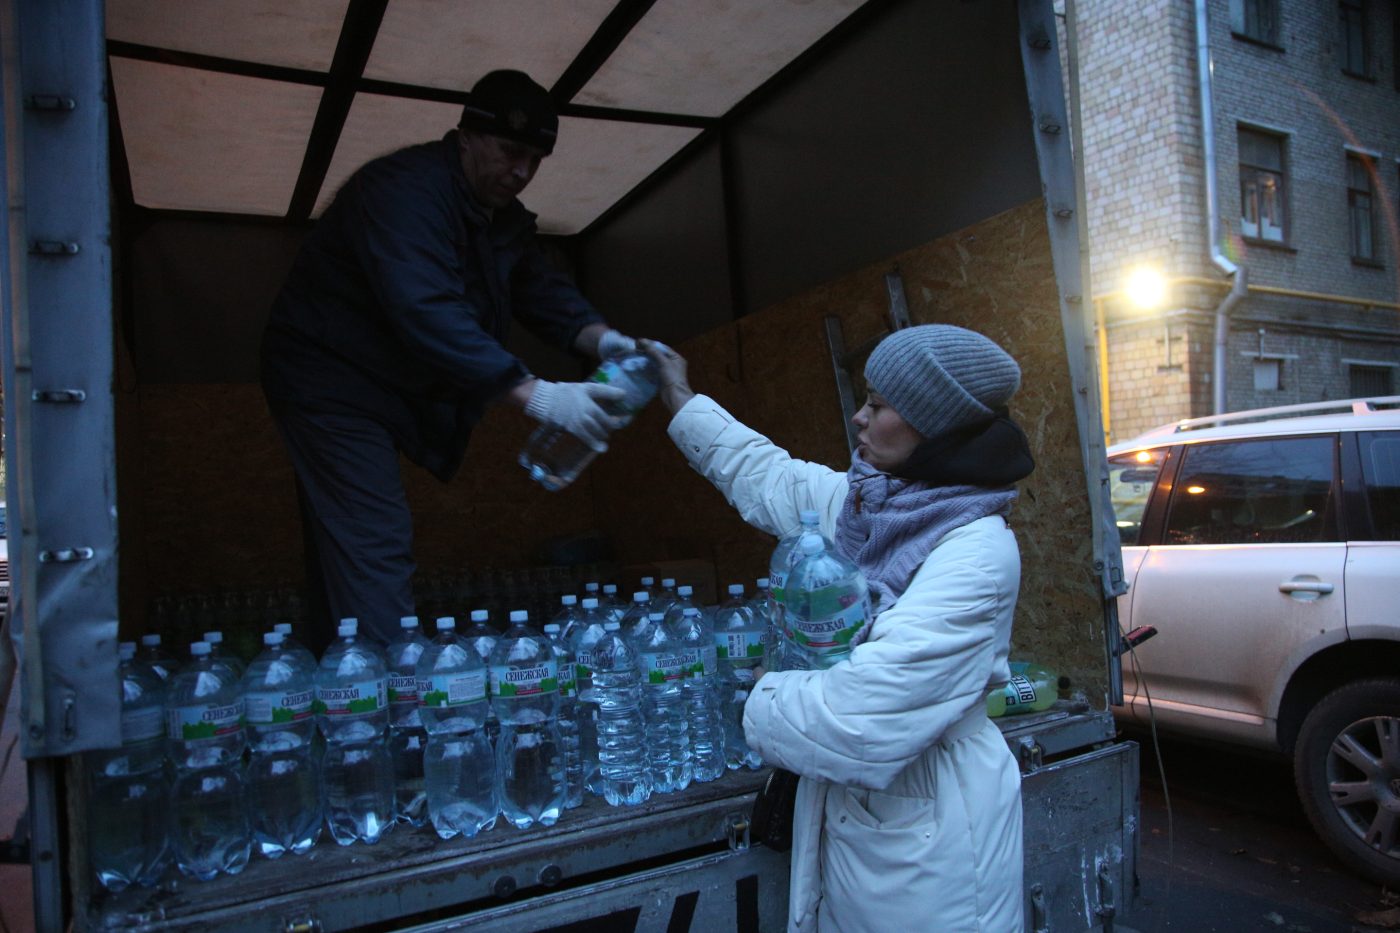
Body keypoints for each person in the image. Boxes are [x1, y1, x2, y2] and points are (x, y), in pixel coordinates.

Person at [644, 324, 1034, 932]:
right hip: (877, 825)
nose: (859, 417)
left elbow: (863, 717)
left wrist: (765, 688)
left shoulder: (975, 553)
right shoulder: (874, 508)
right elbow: (767, 475)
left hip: (936, 846)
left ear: (933, 426)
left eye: (878, 405)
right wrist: (678, 395)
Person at [261, 70, 638, 648]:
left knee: (344, 544)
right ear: (464, 137)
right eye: (511, 151)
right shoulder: (401, 193)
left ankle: (339, 677)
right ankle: (397, 709)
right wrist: (539, 395)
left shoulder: (498, 217)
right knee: (374, 536)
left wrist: (602, 339)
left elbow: (540, 288)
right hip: (329, 382)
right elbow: (426, 310)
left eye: (536, 159)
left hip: (380, 388)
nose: (522, 171)